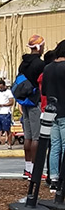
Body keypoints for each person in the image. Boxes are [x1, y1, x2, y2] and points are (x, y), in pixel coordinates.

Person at [18, 34, 46, 179]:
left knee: (27, 136)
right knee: (36, 137)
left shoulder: (23, 64)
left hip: (24, 102)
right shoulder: (40, 64)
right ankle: (36, 170)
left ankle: (27, 168)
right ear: (39, 46)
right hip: (36, 101)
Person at [42, 40, 65, 189]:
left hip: (51, 112)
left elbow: (44, 91)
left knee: (55, 146)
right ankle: (62, 179)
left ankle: (54, 178)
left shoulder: (48, 68)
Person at [0, 79, 14, 150]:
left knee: (7, 129)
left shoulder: (9, 92)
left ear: (4, 86)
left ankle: (9, 144)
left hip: (6, 113)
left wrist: (3, 105)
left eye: (1, 87)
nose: (0, 89)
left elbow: (11, 102)